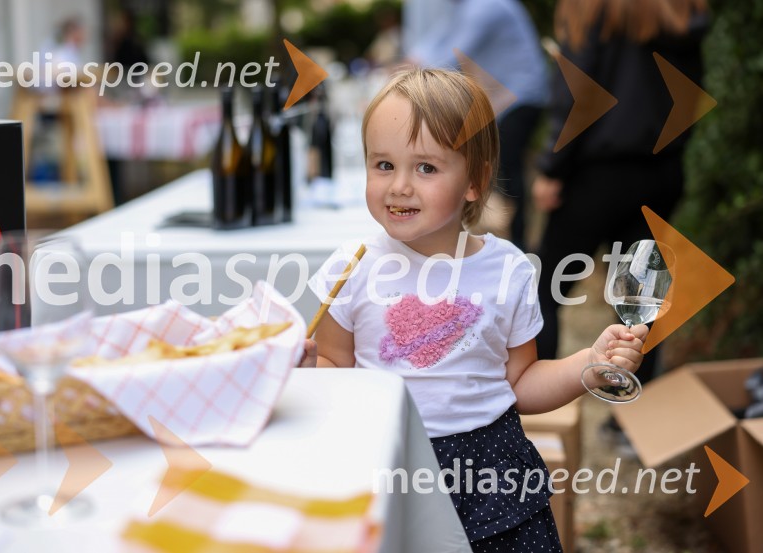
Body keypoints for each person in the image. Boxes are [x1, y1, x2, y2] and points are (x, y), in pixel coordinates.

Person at [300, 68, 647, 551]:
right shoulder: (351, 268)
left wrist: (589, 365)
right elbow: (336, 366)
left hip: (490, 471)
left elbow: (520, 384)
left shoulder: (507, 270)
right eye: (383, 165)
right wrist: (303, 369)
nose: (399, 185)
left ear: (474, 181)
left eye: (426, 168)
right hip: (386, 459)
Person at [532, 0, 708, 386]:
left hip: (599, 173)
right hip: (662, 171)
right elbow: (692, 95)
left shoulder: (592, 6)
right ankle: (625, 413)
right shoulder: (681, 11)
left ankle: (530, 409)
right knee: (640, 300)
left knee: (544, 289)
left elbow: (579, 93)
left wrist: (551, 167)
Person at [406, 0, 549, 251]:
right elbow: (439, 38)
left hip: (522, 95)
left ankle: (517, 244)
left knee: (506, 168)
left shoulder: (487, 6)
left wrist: (409, 75)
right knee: (502, 167)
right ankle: (506, 240)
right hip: (508, 98)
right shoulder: (464, 9)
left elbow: (453, 53)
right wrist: (413, 59)